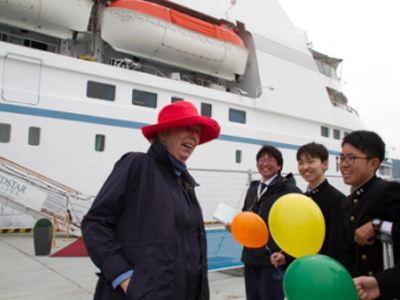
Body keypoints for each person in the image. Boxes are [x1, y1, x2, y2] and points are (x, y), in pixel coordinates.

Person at [82, 101, 220, 300]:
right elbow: (96, 224)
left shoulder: (184, 184)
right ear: (163, 135)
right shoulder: (138, 165)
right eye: (188, 127)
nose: (194, 136)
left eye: (197, 131)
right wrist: (124, 278)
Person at [226, 145, 302, 300]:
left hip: (271, 260)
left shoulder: (288, 190)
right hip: (250, 258)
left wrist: (286, 254)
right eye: (261, 160)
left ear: (279, 165)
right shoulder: (253, 189)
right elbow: (246, 217)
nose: (265, 163)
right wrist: (236, 228)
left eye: (270, 160)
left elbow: (300, 224)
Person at [339, 130, 400, 277]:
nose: (344, 165)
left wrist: (378, 225)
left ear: (373, 163)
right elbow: (347, 255)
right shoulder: (346, 203)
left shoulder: (386, 191)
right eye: (341, 158)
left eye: (351, 158)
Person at [296, 142, 345, 261]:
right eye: (300, 162)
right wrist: (285, 257)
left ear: (325, 164)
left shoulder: (337, 199)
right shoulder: (302, 199)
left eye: (311, 161)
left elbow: (336, 246)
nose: (305, 167)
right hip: (304, 265)